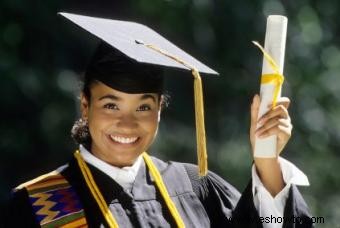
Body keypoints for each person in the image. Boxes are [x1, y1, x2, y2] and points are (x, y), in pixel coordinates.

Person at [2, 12, 313, 227]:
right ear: (85, 105)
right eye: (111, 105)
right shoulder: (44, 202)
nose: (127, 123)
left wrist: (266, 159)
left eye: (143, 108)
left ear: (160, 110)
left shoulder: (194, 186)